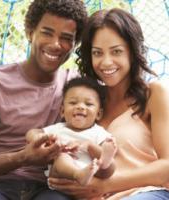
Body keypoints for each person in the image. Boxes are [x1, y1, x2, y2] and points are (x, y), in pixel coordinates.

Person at [0, 0, 87, 199]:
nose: (55, 44)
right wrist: (23, 157)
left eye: (66, 38)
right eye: (47, 32)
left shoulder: (77, 87)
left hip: (51, 188)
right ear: (30, 32)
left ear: (75, 44)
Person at [48, 8, 169, 200]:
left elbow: (167, 165)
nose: (106, 62)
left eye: (116, 51)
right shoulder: (88, 103)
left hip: (145, 193)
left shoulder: (154, 94)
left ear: (132, 51)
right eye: (97, 53)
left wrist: (106, 185)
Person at [26, 77, 117, 186]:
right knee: (62, 156)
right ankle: (78, 174)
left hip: (93, 174)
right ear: (62, 111)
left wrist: (89, 146)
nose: (80, 107)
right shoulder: (58, 129)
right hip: (61, 179)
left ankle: (104, 161)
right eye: (73, 103)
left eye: (88, 104)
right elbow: (32, 132)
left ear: (98, 114)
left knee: (109, 167)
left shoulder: (98, 132)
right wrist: (41, 139)